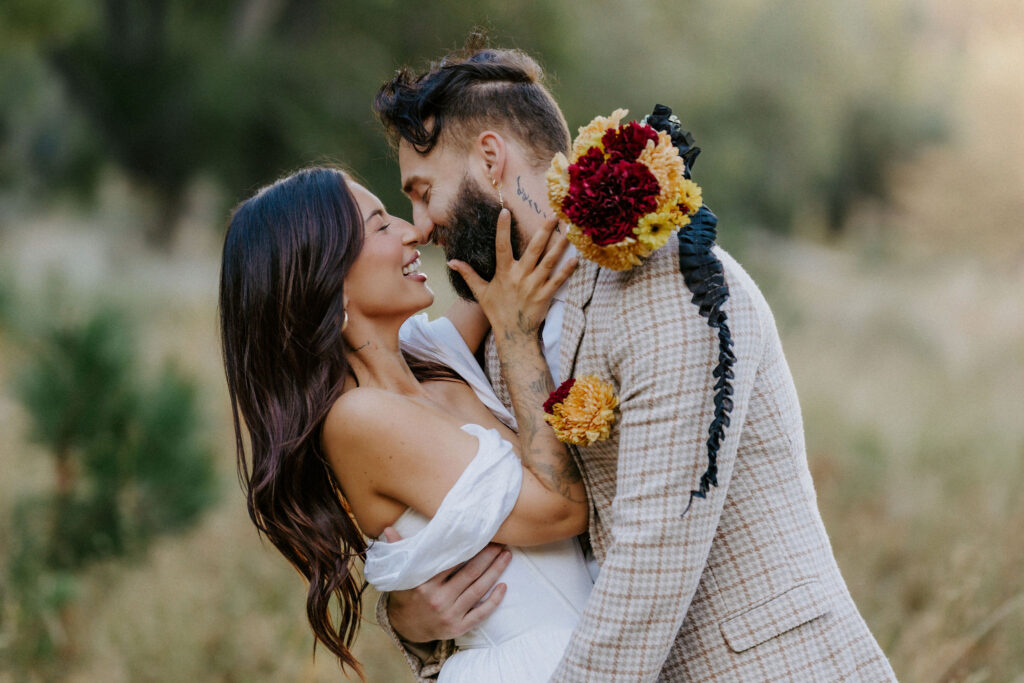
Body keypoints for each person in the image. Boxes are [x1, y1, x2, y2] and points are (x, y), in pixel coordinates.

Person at [372, 41, 897, 681]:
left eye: (424, 192)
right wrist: (411, 620)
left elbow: (652, 557)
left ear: (489, 157)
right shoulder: (493, 336)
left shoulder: (672, 283)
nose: (419, 225)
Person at [218, 165, 599, 681]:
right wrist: (516, 336)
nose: (412, 231)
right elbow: (559, 511)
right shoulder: (360, 419)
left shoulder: (428, 355)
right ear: (327, 283)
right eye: (380, 226)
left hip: (591, 643)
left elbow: (516, 259)